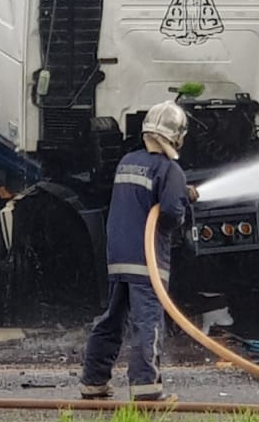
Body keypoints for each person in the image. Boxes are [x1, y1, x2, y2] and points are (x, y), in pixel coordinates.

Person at [81, 100, 198, 402]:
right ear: (176, 136)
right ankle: (147, 389)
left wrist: (179, 192)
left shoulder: (128, 161)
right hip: (147, 261)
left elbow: (142, 197)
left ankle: (93, 381)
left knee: (112, 318)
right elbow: (170, 213)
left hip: (119, 256)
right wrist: (183, 202)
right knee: (149, 321)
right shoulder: (170, 169)